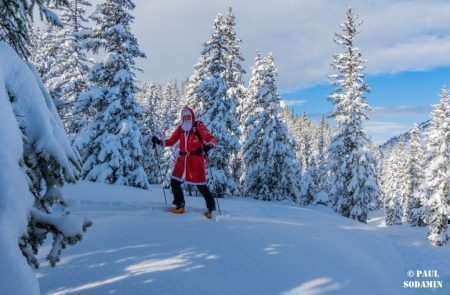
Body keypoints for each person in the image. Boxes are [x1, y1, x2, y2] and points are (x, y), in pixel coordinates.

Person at [152, 106, 218, 218]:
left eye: (188, 116)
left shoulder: (198, 126)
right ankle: (179, 205)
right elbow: (171, 141)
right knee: (174, 181)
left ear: (192, 116)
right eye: (184, 117)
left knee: (201, 185)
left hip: (196, 159)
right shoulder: (181, 128)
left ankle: (210, 209)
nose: (186, 118)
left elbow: (212, 139)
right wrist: (159, 141)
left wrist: (208, 147)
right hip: (182, 160)